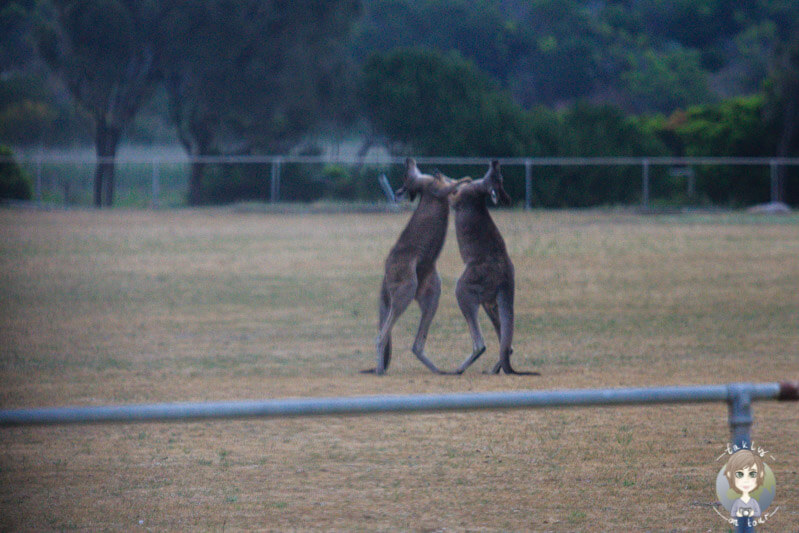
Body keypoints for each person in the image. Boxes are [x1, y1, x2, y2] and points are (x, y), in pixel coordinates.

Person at [724, 449, 765, 518]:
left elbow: (758, 513)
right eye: (739, 474)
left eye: (752, 474)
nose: (746, 480)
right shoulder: (737, 502)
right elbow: (733, 513)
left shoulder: (753, 502)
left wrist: (752, 513)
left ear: (760, 474)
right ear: (730, 475)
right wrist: (738, 514)